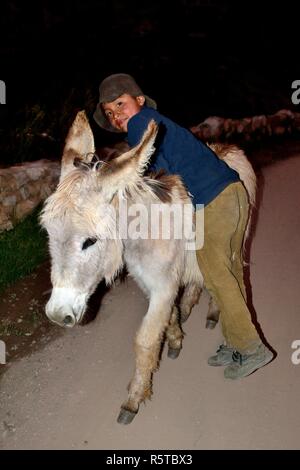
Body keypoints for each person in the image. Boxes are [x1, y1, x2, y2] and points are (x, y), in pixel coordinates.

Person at [93, 73, 273, 379]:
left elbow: (140, 175)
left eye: (120, 104)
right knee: (228, 275)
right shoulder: (152, 123)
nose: (116, 115)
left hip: (213, 201)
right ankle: (236, 343)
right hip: (230, 194)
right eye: (109, 112)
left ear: (139, 100)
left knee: (217, 278)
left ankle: (253, 348)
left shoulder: (142, 125)